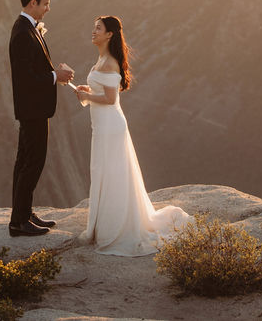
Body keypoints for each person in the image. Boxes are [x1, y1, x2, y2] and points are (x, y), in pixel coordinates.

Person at [74, 15, 190, 256]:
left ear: (110, 35)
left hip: (110, 126)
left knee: (112, 172)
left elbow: (110, 99)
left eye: (98, 28)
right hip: (103, 125)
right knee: (103, 171)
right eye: (93, 27)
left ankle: (113, 228)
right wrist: (87, 90)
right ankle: (104, 225)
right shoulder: (102, 59)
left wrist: (86, 97)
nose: (93, 31)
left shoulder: (109, 62)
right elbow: (103, 93)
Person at [8, 0, 74, 237]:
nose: (48, 8)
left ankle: (24, 213)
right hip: (32, 109)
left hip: (32, 108)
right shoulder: (23, 33)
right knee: (32, 163)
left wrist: (53, 73)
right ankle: (18, 222)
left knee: (24, 161)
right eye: (45, 3)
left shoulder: (27, 28)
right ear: (32, 3)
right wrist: (56, 76)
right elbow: (27, 78)